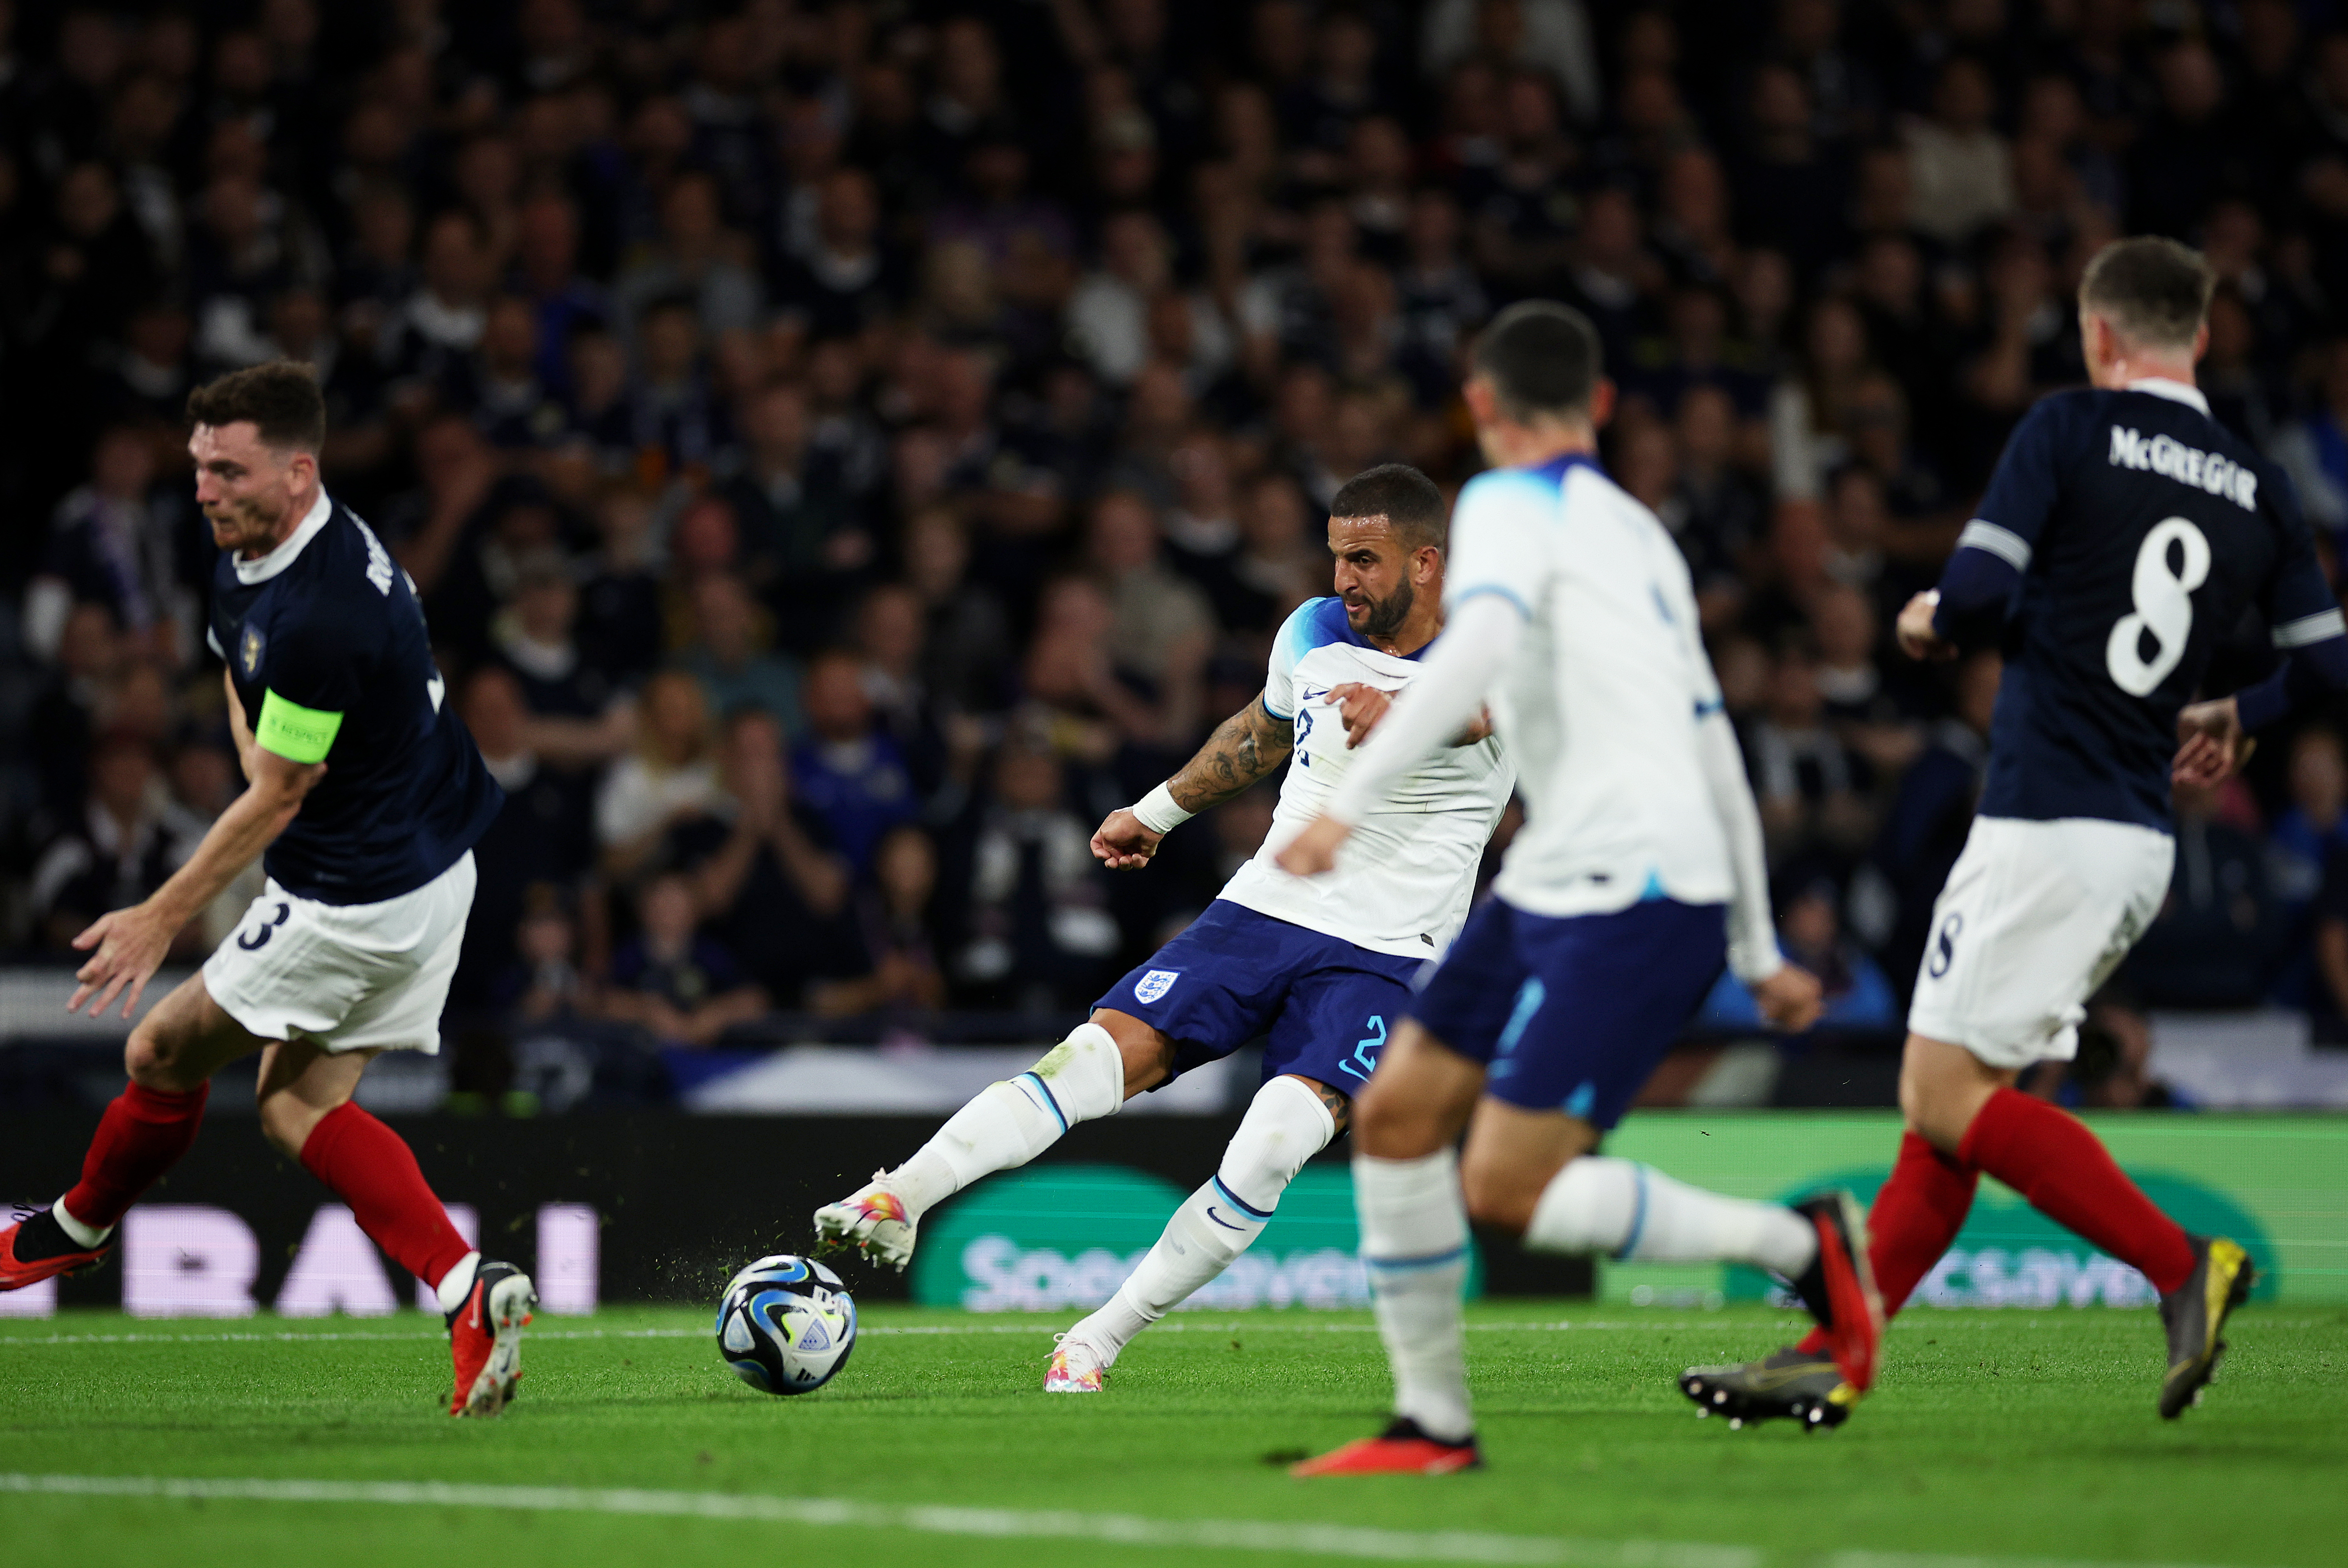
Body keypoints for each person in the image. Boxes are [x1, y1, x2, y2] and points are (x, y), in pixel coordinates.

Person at [1687, 237, 2340, 1429]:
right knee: (1952, 1100)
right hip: (2135, 834)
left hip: (2046, 817)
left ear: (2098, 334)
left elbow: (1979, 594)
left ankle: (2179, 1261)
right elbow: (2329, 665)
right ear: (2197, 336)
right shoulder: (2259, 481)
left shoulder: (2068, 428)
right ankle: (1837, 1349)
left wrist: (1935, 618)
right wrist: (2241, 713)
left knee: (1940, 1091)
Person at [1273, 303, 1871, 1474]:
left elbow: (1479, 648)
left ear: (1482, 406)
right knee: (1394, 1117)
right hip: (1563, 872)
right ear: (1599, 407)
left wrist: (1347, 801)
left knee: (1505, 1184)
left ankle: (1803, 1243)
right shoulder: (1645, 537)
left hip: (1634, 885)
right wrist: (1754, 946)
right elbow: (1715, 745)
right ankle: (1431, 1425)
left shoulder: (1500, 503)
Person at [811, 465, 1518, 1393]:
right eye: (1336, 554)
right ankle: (900, 1192)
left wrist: (1406, 710)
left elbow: (1478, 714)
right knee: (1094, 1055)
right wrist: (1155, 810)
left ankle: (1095, 1338)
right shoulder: (1311, 629)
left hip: (1387, 955)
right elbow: (1261, 734)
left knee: (1271, 1145)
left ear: (1425, 563)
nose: (1343, 578)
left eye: (1365, 559)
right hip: (1262, 909)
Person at [0, 362, 535, 1417]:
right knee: (297, 1105)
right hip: (431, 865)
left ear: (299, 470)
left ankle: (63, 1233)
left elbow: (285, 789)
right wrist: (260, 782)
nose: (203, 490)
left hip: (357, 892)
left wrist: (160, 914)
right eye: (197, 466)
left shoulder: (323, 609)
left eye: (228, 471)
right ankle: (470, 1288)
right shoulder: (263, 547)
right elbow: (265, 739)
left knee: (155, 1049)